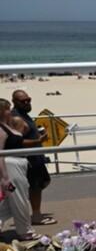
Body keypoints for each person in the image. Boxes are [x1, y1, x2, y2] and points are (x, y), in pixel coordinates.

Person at [10, 90, 55, 225]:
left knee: (43, 182)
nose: (27, 103)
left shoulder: (24, 115)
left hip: (35, 157)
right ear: (15, 102)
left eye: (28, 99)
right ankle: (35, 215)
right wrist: (38, 141)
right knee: (35, 186)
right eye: (23, 101)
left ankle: (31, 212)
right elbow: (17, 141)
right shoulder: (17, 118)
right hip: (29, 159)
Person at [0, 99, 35, 239]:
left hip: (17, 165)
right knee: (19, 199)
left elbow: (24, 128)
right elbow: (0, 154)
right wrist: (4, 178)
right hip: (11, 167)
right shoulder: (1, 130)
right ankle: (25, 231)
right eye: (8, 109)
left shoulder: (7, 126)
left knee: (9, 203)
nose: (11, 111)